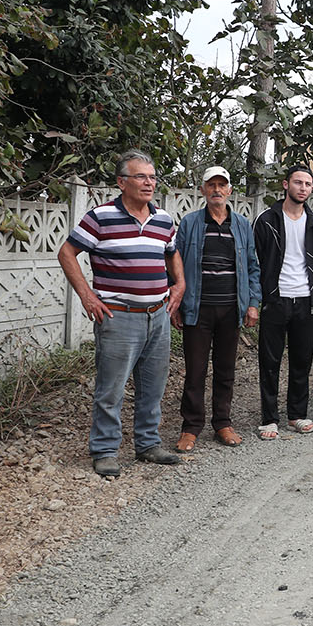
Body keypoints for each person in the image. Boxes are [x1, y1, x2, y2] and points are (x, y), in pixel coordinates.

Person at [56, 149, 184, 477]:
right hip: (118, 316)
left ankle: (148, 444)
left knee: (153, 386)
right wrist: (87, 296)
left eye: (152, 177)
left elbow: (172, 253)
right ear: (121, 182)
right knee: (111, 389)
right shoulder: (100, 217)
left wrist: (179, 284)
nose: (149, 183)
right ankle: (104, 450)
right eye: (141, 176)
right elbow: (67, 253)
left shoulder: (163, 219)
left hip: (157, 315)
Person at [174, 165, 260, 452]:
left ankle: (223, 422)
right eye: (211, 185)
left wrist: (253, 304)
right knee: (195, 370)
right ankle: (191, 427)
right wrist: (175, 304)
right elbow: (174, 267)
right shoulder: (189, 223)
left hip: (231, 308)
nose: (217, 190)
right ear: (202, 190)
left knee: (225, 370)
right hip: (198, 308)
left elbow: (252, 267)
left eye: (222, 185)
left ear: (230, 191)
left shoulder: (243, 225)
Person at [254, 165, 313, 440]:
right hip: (276, 299)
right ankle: (269, 419)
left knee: (301, 361)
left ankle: (297, 415)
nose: (303, 188)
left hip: (305, 299)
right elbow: (255, 260)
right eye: (298, 182)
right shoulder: (267, 219)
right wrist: (260, 297)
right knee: (269, 361)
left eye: (307, 184)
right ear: (285, 185)